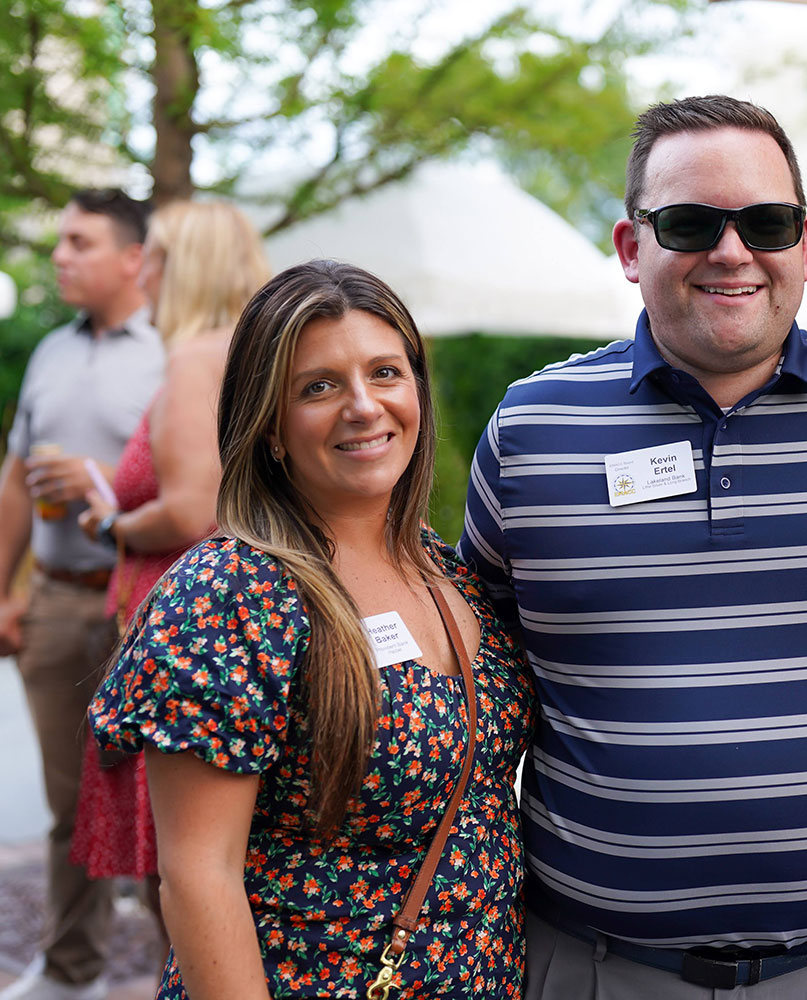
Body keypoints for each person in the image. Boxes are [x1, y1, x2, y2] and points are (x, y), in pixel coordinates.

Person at [460, 94, 807, 998]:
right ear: (630, 247)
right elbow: (477, 670)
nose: (732, 252)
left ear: (805, 245)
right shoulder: (532, 430)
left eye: (766, 223)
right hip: (594, 972)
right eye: (691, 223)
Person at [89, 261, 535, 998]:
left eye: (385, 373)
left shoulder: (445, 567)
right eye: (319, 387)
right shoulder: (232, 595)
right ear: (269, 425)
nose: (363, 406)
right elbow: (198, 876)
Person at [69, 200, 270, 929]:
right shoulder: (256, 351)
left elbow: (190, 510)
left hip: (184, 633)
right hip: (248, 617)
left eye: (151, 258)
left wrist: (111, 521)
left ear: (182, 268)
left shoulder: (192, 359)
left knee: (184, 877)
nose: (142, 274)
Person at [0, 189, 161, 1000]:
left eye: (79, 241)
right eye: (60, 240)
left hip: (146, 609)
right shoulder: (49, 354)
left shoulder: (174, 352)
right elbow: (16, 478)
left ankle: (186, 973)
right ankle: (71, 973)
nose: (60, 255)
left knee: (165, 810)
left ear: (134, 258)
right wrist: (4, 592)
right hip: (60, 602)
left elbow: (200, 492)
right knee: (71, 806)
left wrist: (103, 483)